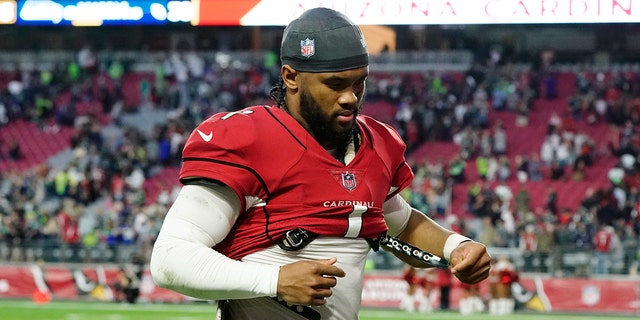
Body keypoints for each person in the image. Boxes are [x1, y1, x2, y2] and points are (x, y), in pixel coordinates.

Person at [149, 7, 491, 320]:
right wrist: (274, 280)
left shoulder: (375, 145)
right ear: (291, 76)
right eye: (335, 84)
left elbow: (401, 223)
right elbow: (170, 259)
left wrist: (455, 246)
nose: (350, 97)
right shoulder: (248, 139)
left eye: (360, 82)